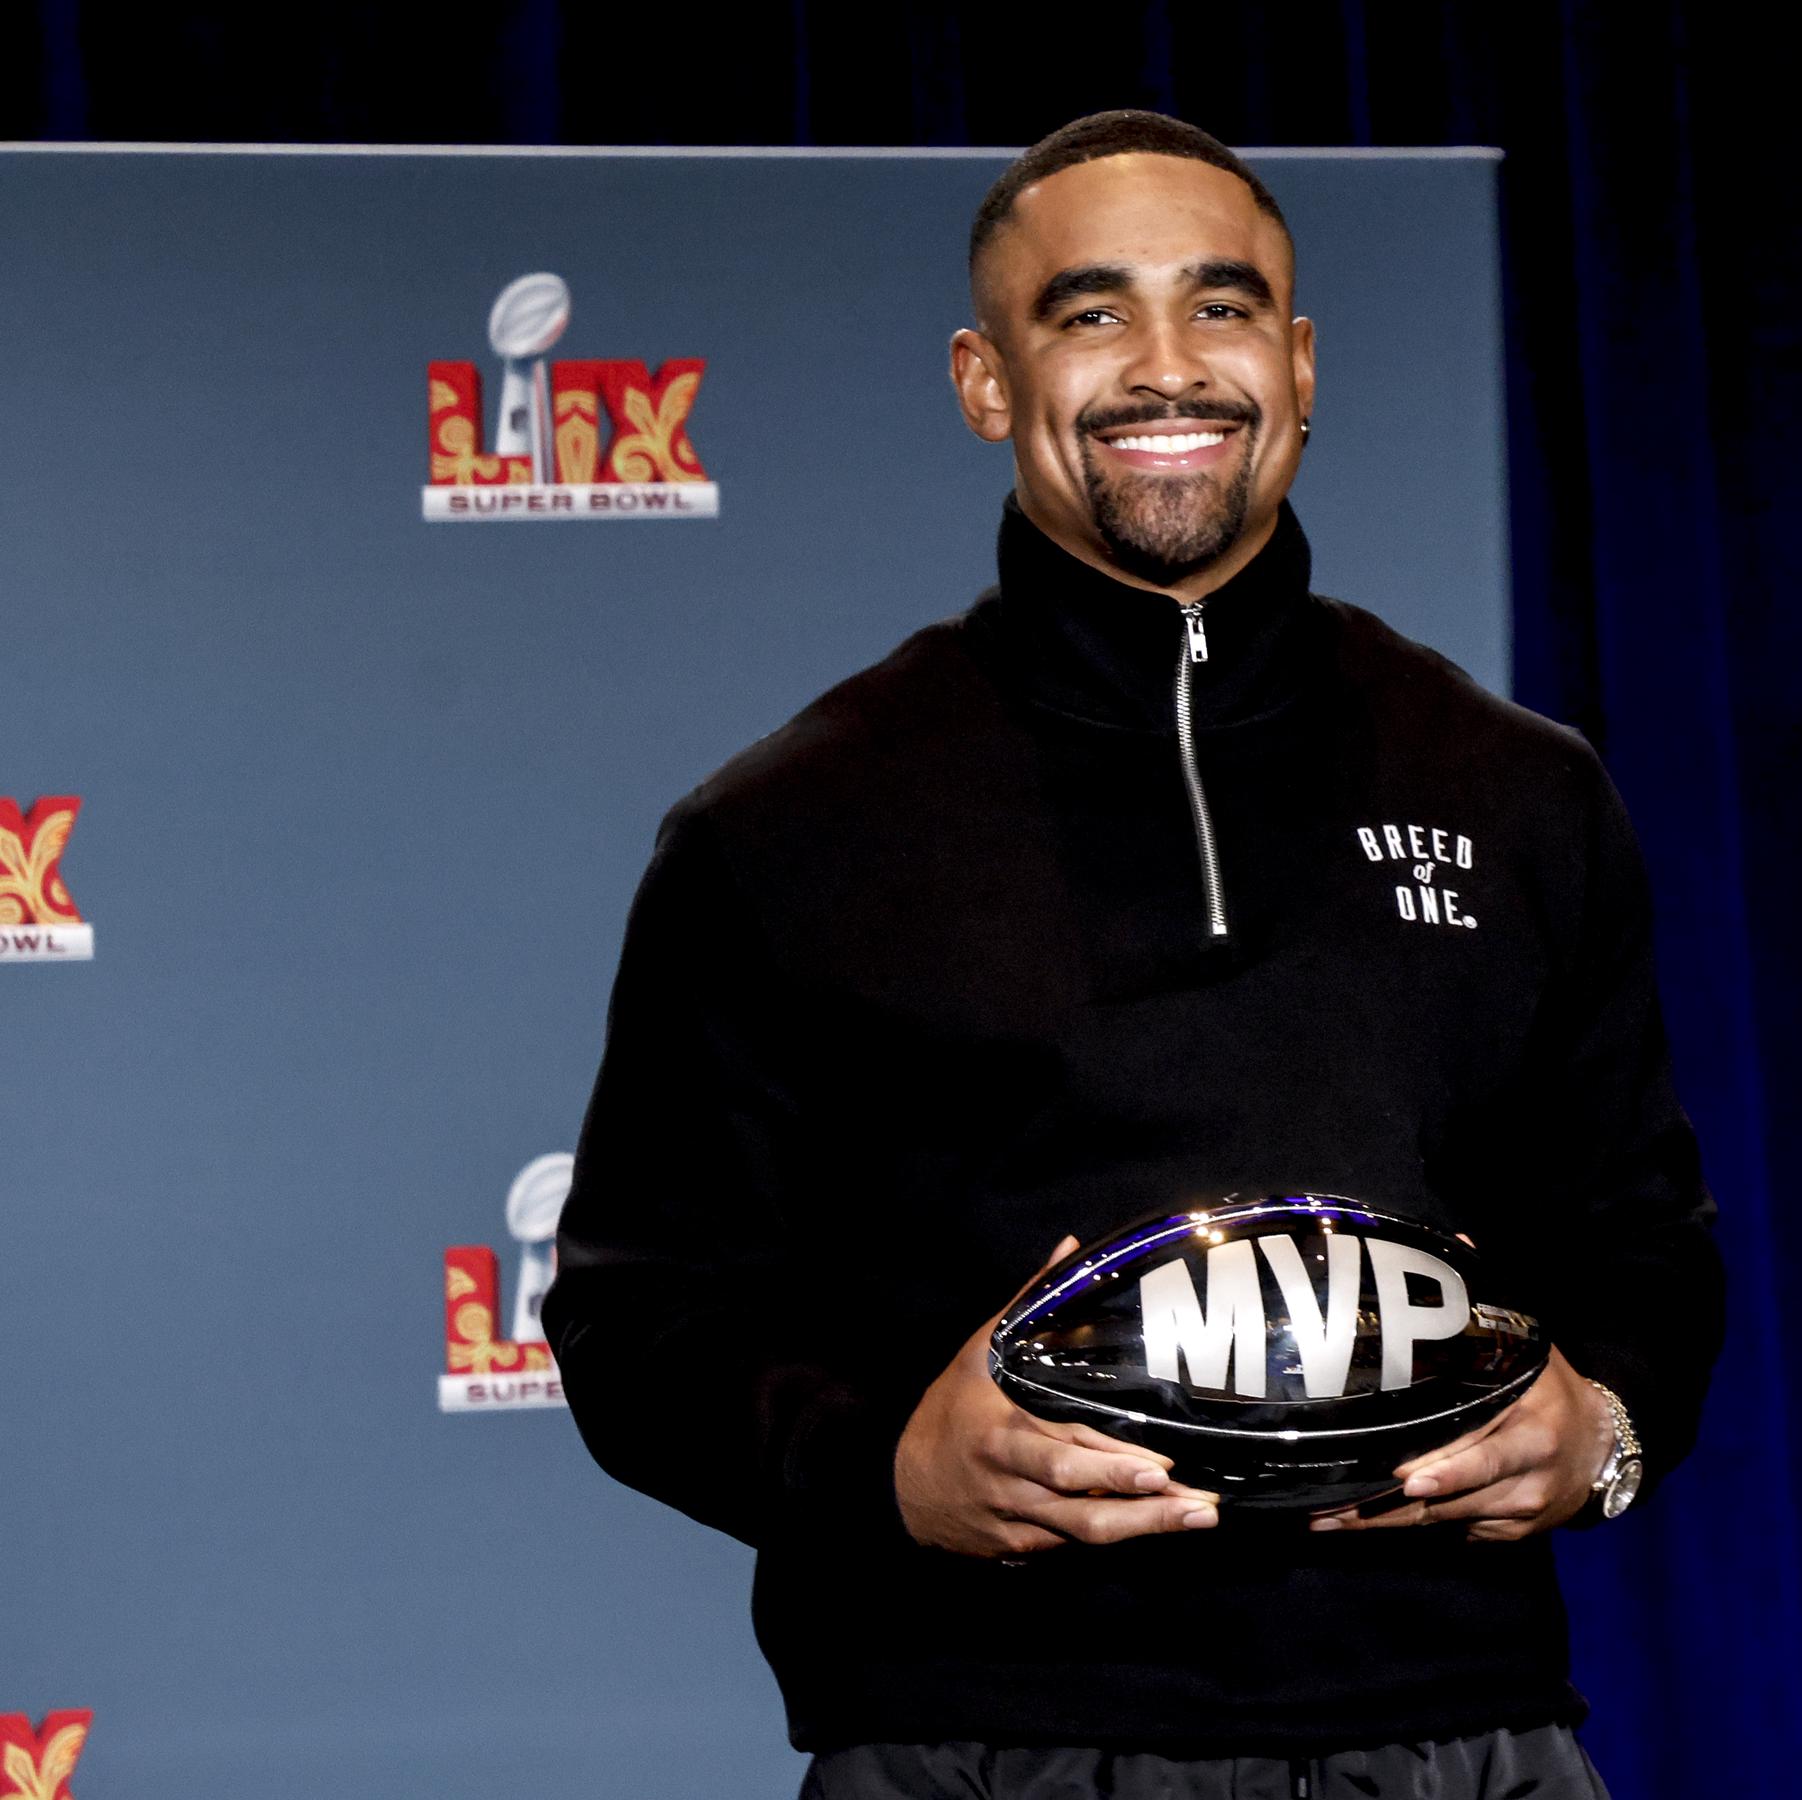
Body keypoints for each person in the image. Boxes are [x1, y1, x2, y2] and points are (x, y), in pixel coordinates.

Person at [545, 109, 1725, 1800]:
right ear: (982, 378)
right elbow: (642, 1327)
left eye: (1223, 307)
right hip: (978, 1745)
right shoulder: (786, 826)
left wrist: (1599, 1434)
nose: (1170, 369)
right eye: (1092, 313)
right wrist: (886, 1469)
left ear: (1301, 364)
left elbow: (1643, 1250)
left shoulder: (1519, 790)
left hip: (1461, 1740)